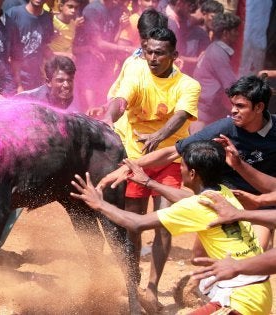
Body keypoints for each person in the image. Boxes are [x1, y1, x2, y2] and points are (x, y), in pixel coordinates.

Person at [71, 140, 272, 314]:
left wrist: (100, 204)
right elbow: (191, 199)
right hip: (257, 292)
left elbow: (136, 223)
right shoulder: (223, 193)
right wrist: (149, 182)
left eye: (182, 166)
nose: (180, 169)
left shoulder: (195, 207)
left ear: (192, 173)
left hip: (240, 300)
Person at [99, 75, 276, 257]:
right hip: (224, 200)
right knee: (199, 257)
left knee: (254, 254)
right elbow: (173, 152)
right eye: (232, 104)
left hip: (262, 205)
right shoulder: (225, 127)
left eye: (240, 106)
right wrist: (130, 165)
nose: (233, 111)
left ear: (259, 107)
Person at [92, 27, 200, 312]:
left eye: (159, 53)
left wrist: (157, 136)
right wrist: (106, 118)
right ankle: (135, 280)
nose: (152, 57)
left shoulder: (189, 85)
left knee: (164, 222)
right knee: (133, 223)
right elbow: (121, 100)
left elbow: (180, 117)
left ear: (174, 56)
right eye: (148, 51)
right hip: (133, 160)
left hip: (169, 160)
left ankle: (152, 286)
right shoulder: (136, 72)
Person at [190, 12, 240, 132]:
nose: (238, 34)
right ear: (225, 33)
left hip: (208, 110)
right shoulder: (218, 53)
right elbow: (232, 86)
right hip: (203, 114)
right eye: (235, 31)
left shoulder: (215, 48)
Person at [7, 0, 54, 91]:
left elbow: (43, 47)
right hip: (12, 78)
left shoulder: (47, 18)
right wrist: (18, 85)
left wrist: (59, 63)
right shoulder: (14, 13)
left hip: (34, 78)